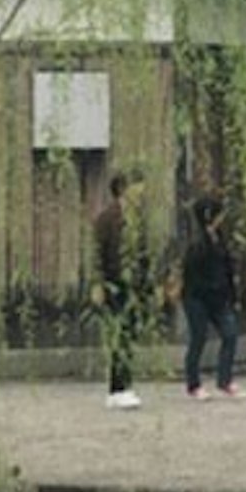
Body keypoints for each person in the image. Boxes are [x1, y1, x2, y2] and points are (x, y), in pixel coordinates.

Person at [93, 170, 150, 411]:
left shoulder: (137, 219)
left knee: (128, 333)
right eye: (138, 186)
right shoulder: (107, 218)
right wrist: (97, 283)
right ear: (124, 188)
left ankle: (120, 387)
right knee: (120, 334)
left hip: (133, 285)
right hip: (114, 283)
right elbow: (97, 253)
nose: (142, 192)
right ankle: (119, 388)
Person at [180, 192, 242, 400]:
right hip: (197, 297)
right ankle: (193, 384)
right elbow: (191, 274)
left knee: (230, 333)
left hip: (219, 297)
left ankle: (224, 379)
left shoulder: (219, 237)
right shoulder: (197, 243)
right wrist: (211, 287)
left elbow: (227, 267)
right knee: (198, 338)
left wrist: (232, 295)